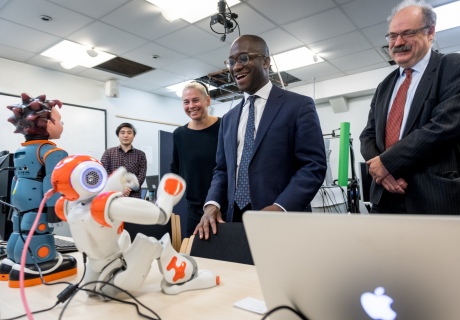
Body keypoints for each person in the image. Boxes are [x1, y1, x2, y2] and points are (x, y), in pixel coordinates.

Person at [195, 34, 327, 239]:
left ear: (266, 61)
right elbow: (222, 170)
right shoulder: (228, 119)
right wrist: (212, 204)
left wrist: (281, 207)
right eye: (231, 61)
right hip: (234, 220)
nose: (235, 67)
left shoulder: (299, 106)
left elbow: (313, 166)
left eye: (244, 58)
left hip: (283, 221)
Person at [359, 0, 460, 214]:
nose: (398, 42)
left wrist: (387, 164)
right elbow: (367, 135)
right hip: (384, 198)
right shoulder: (384, 86)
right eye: (393, 36)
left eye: (408, 33)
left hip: (433, 198)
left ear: (430, 32)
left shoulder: (452, 67)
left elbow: (443, 126)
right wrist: (382, 173)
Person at [0, 93, 77, 287]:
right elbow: (54, 183)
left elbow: (15, 180)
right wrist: (54, 210)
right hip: (39, 205)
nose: (62, 125)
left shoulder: (20, 152)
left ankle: (12, 259)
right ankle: (40, 261)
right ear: (47, 124)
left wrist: (12, 206)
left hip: (20, 204)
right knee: (38, 233)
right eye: (60, 121)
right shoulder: (53, 152)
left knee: (19, 231)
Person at [170, 81, 222, 237]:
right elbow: (176, 169)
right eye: (186, 102)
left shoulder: (224, 127)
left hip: (221, 207)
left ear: (207, 100)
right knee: (193, 256)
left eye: (196, 100)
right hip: (195, 209)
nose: (191, 105)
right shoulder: (179, 134)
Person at [101, 123, 147, 198]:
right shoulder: (108, 152)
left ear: (133, 136)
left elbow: (141, 176)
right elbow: (103, 173)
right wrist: (120, 188)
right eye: (122, 133)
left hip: (134, 196)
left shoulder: (141, 155)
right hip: (113, 196)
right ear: (118, 135)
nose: (126, 135)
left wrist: (128, 188)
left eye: (129, 133)